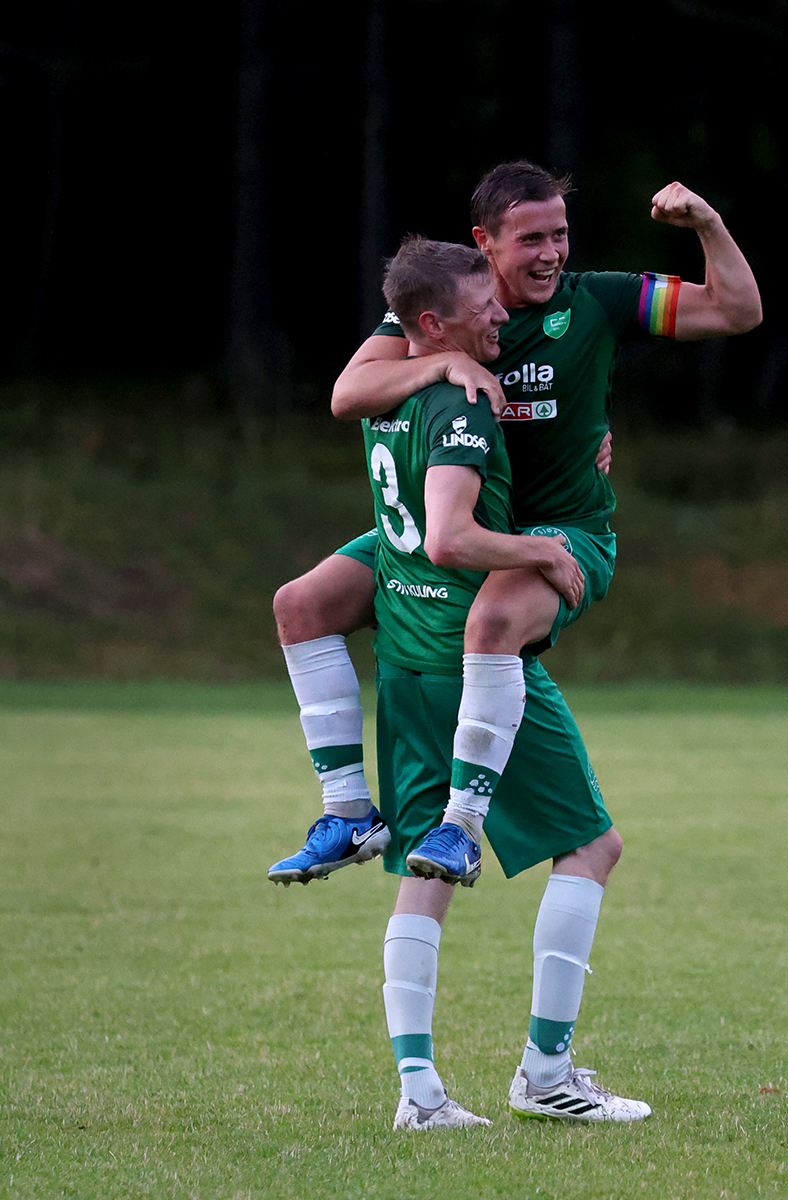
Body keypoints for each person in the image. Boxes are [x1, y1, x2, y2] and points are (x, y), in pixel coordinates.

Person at [268, 162, 761, 885]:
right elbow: (349, 392)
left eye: (560, 234)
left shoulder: (596, 301)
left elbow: (737, 311)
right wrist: (439, 368)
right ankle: (346, 811)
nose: (553, 253)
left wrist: (708, 226)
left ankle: (462, 826)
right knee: (300, 604)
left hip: (551, 532)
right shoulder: (447, 304)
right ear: (485, 243)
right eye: (532, 238)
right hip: (465, 525)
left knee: (493, 620)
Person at [359, 235, 650, 1129]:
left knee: (425, 871)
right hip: (474, 660)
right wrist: (545, 548)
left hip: (404, 660)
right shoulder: (465, 402)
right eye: (485, 305)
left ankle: (418, 1091)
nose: (503, 319)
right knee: (592, 848)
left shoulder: (395, 388)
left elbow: (347, 395)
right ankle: (547, 1072)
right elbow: (452, 537)